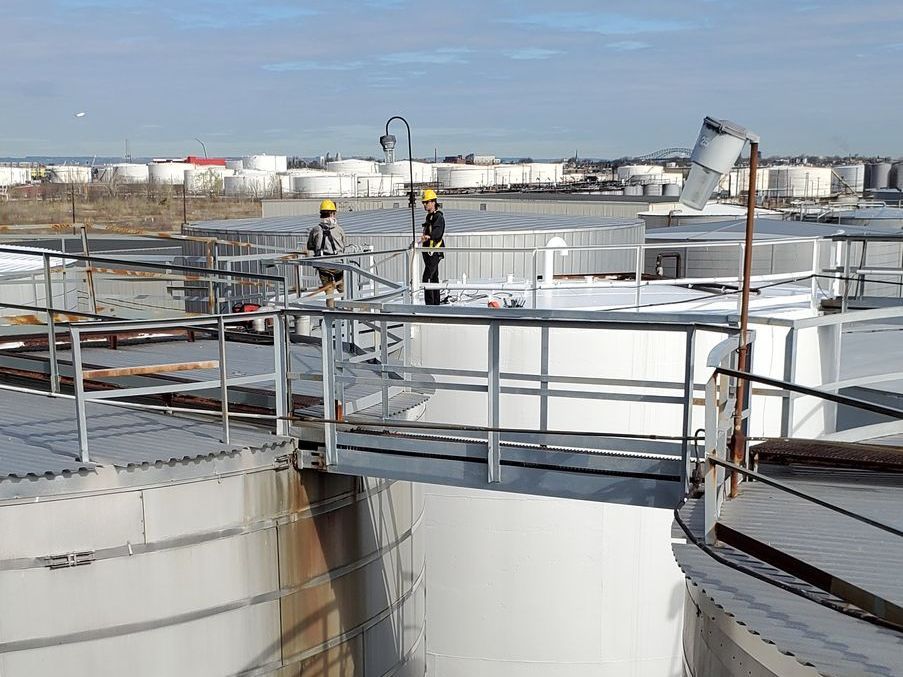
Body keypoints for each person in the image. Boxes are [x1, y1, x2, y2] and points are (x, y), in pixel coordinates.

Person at [306, 199, 346, 308]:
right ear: (333, 213)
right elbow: (343, 246)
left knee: (329, 292)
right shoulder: (339, 230)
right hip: (339, 265)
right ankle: (348, 310)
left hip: (323, 266)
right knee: (344, 289)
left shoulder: (315, 230)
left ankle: (331, 314)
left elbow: (310, 246)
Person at [420, 189, 445, 305]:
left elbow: (438, 232)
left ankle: (430, 305)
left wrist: (429, 237)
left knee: (427, 278)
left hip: (434, 251)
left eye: (427, 202)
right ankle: (435, 303)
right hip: (429, 252)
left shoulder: (438, 217)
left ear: (433, 202)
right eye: (423, 203)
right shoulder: (429, 217)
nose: (425, 205)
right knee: (434, 277)